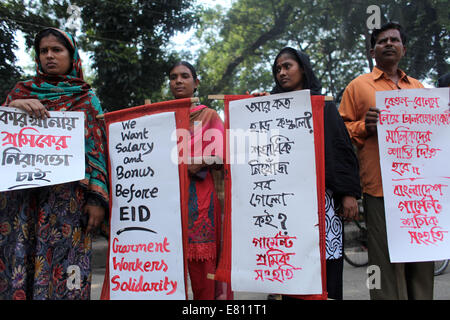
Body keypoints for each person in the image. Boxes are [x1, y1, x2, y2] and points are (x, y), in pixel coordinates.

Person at [0, 28, 108, 299]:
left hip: (66, 203)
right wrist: (16, 107)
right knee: (20, 259)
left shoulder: (85, 99)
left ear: (72, 57)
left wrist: (96, 199)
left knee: (64, 267)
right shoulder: (20, 93)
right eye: (44, 51)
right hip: (22, 200)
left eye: (57, 50)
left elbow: (98, 150)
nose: (49, 56)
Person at [338, 22, 434, 300]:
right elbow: (339, 135)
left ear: (404, 48)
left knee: (421, 259)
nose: (389, 44)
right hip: (380, 189)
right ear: (372, 51)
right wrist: (363, 127)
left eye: (394, 40)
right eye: (382, 41)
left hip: (420, 191)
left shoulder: (418, 88)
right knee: (383, 262)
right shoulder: (358, 87)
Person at [270, 47, 361, 300]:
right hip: (285, 206)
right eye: (278, 69)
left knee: (326, 274)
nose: (282, 72)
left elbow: (340, 150)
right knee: (292, 271)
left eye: (287, 66)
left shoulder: (324, 106)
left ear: (303, 68)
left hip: (323, 204)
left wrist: (348, 194)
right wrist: (256, 106)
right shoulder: (269, 109)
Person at [168, 61, 231, 300]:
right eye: (173, 77)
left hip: (200, 202)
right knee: (165, 269)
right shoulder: (160, 117)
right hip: (166, 202)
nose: (179, 81)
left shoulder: (208, 116)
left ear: (196, 83)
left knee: (203, 271)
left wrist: (200, 160)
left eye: (185, 76)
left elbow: (226, 155)